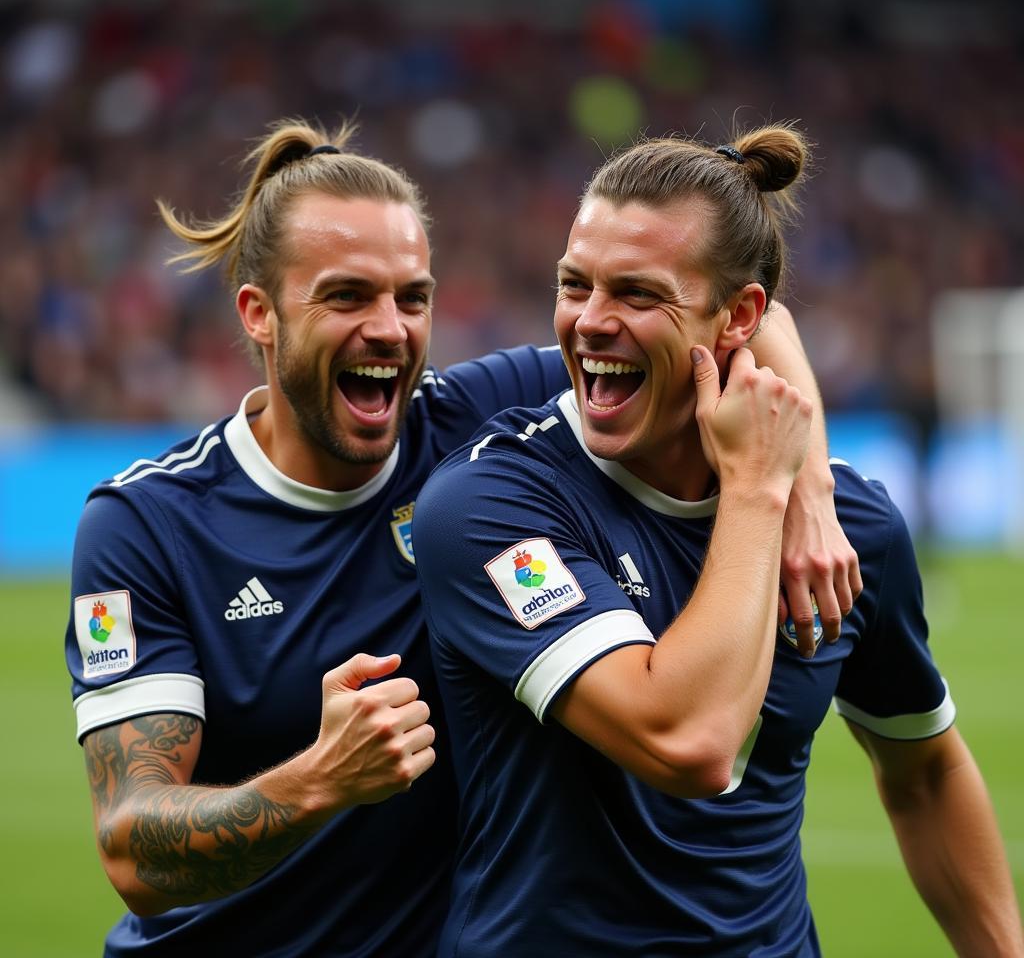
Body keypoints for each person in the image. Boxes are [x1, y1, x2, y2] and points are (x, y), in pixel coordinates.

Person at [66, 117, 858, 958]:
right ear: (258, 314)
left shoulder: (466, 422)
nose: (389, 329)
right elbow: (131, 845)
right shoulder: (145, 526)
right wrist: (319, 780)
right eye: (346, 296)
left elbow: (728, 315)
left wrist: (808, 487)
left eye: (413, 297)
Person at [413, 125, 1024, 957]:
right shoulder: (492, 503)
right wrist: (764, 489)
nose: (590, 323)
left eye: (637, 293)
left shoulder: (848, 531)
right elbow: (689, 742)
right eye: (573, 284)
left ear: (738, 317)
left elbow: (924, 772)